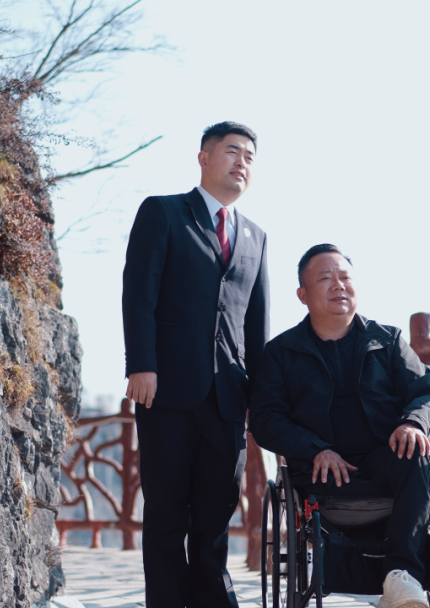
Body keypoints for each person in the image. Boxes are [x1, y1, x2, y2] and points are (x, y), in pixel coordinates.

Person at [122, 121, 269, 608]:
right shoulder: (163, 212)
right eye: (232, 151)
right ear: (204, 158)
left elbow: (256, 327)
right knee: (166, 515)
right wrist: (141, 364)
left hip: (228, 398)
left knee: (214, 517)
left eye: (249, 156)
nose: (241, 162)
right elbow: (139, 294)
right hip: (165, 389)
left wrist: (261, 400)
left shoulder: (256, 237)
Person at [249, 244, 430, 608]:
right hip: (319, 471)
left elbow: (426, 392)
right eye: (326, 278)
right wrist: (314, 449)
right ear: (303, 295)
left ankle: (401, 577)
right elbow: (265, 418)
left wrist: (413, 423)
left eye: (345, 277)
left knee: (416, 455)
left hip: (383, 457)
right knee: (328, 461)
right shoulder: (281, 352)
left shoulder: (389, 340)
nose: (339, 285)